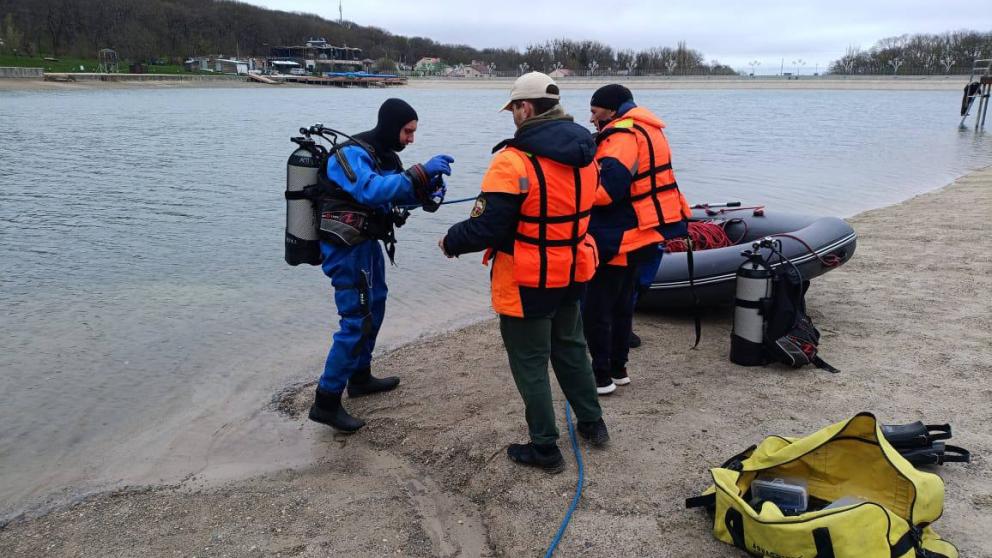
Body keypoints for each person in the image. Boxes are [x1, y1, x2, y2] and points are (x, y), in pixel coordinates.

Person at [439, 73, 609, 473]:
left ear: (525, 108)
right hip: (572, 269)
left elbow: (486, 227)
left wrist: (451, 241)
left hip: (528, 277)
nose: (512, 116)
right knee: (571, 347)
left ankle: (545, 447)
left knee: (530, 361)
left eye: (513, 108)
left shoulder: (512, 160)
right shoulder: (588, 152)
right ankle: (593, 423)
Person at [308, 98, 454, 433]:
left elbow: (395, 193)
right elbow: (371, 190)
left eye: (413, 132)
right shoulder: (349, 155)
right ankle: (325, 402)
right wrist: (420, 172)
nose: (411, 139)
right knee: (356, 319)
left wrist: (426, 191)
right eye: (407, 132)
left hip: (366, 243)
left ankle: (360, 377)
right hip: (344, 248)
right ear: (391, 126)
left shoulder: (384, 156)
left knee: (376, 305)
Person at [583, 84, 691, 393]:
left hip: (620, 238)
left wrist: (574, 186)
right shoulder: (649, 129)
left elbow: (606, 192)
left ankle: (602, 376)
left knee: (597, 310)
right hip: (644, 233)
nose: (591, 119)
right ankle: (619, 369)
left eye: (594, 111)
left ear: (611, 110)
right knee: (622, 306)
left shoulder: (622, 137)